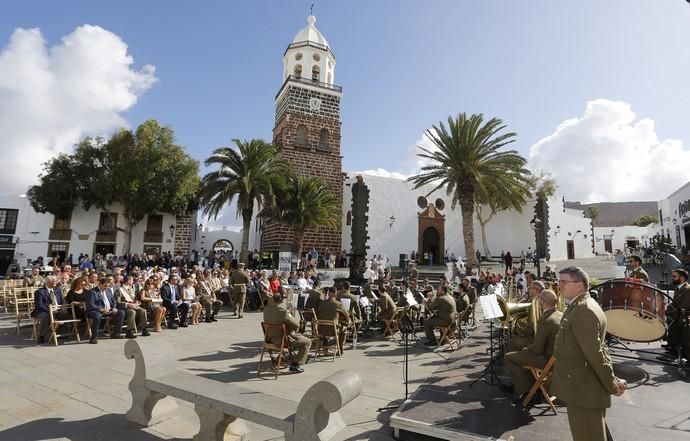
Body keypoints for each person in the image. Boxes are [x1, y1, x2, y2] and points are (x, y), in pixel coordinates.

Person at [552, 266, 628, 441]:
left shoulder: (584, 310)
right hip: (581, 386)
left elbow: (595, 354)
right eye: (559, 281)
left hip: (583, 390)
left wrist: (612, 384)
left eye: (564, 281)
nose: (559, 285)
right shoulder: (579, 305)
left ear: (579, 285)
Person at [502, 289, 563, 402]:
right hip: (558, 360)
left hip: (547, 361)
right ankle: (531, 385)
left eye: (539, 299)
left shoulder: (545, 320)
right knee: (522, 354)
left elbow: (537, 349)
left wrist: (525, 349)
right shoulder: (561, 315)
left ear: (542, 302)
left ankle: (527, 391)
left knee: (509, 357)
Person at [263, 293, 311, 373]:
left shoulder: (266, 310)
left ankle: (285, 357)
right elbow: (297, 325)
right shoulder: (283, 312)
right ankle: (295, 364)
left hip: (269, 339)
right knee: (307, 342)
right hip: (282, 340)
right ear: (281, 301)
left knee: (297, 337)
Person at [506, 281, 545, 351]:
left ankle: (513, 360)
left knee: (511, 342)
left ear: (537, 289)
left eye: (530, 288)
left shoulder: (537, 302)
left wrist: (519, 331)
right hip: (535, 334)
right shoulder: (536, 299)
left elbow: (533, 325)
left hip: (535, 337)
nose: (528, 289)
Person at [85, 277, 126, 344]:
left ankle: (116, 333)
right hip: (95, 311)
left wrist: (114, 308)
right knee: (97, 316)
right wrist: (101, 309)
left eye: (108, 286)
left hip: (108, 310)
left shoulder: (108, 291)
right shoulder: (92, 292)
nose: (107, 287)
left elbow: (114, 301)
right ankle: (94, 337)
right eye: (105, 286)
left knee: (121, 313)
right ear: (100, 284)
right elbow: (91, 304)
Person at [32, 276, 69, 344]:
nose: (56, 282)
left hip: (57, 309)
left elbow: (62, 301)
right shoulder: (40, 292)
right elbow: (39, 305)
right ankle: (41, 335)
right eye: (54, 281)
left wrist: (63, 307)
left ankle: (62, 332)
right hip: (44, 310)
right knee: (45, 316)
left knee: (65, 314)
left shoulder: (58, 290)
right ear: (48, 282)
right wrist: (50, 310)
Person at [662, 268, 690, 356]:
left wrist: (667, 313)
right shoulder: (678, 288)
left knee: (672, 322)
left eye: (674, 276)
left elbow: (683, 307)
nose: (672, 278)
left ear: (681, 278)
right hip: (678, 313)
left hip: (684, 315)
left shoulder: (687, 289)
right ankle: (672, 344)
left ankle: (675, 346)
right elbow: (674, 304)